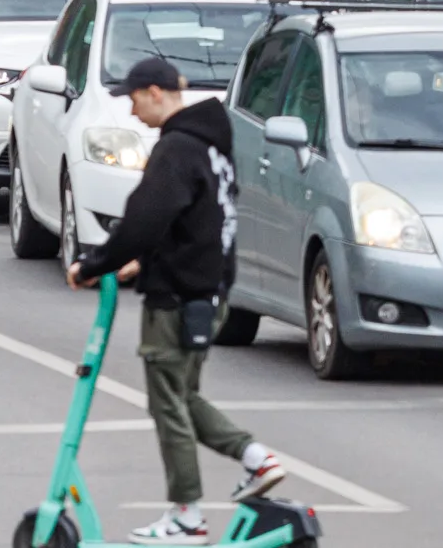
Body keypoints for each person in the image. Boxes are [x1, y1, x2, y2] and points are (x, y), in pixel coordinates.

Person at [67, 58, 283, 545]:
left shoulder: (176, 150)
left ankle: (188, 517)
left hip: (178, 298)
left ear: (156, 92)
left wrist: (92, 265)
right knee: (180, 398)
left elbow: (144, 219)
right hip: (207, 293)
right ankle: (256, 459)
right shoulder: (211, 149)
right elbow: (200, 222)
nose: (131, 109)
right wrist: (143, 262)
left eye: (133, 98)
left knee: (168, 405)